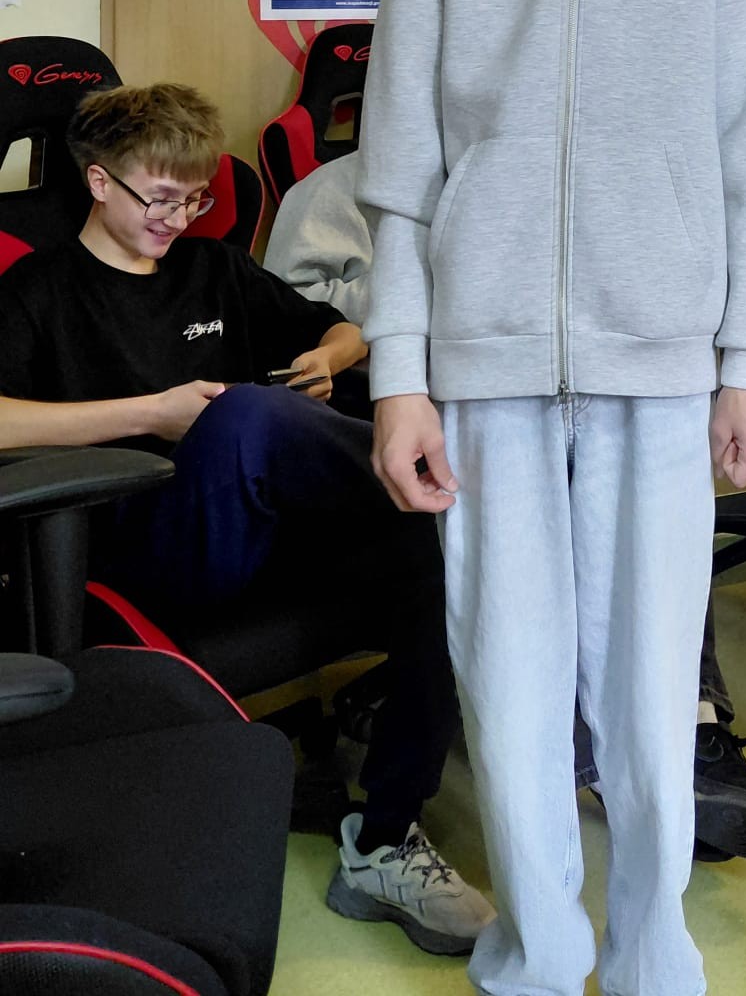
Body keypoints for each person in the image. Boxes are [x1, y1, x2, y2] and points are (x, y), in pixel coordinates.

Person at [364, 0, 746, 996]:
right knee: (509, 678)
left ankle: (654, 954)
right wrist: (400, 381)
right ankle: (537, 960)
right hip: (481, 365)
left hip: (661, 361)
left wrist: (745, 364)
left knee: (652, 687)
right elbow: (401, 174)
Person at [0, 84, 490, 957]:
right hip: (150, 546)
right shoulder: (38, 289)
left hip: (267, 527)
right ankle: (455, 480)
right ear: (100, 182)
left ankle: (383, 842)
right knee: (251, 418)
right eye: (161, 198)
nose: (179, 219)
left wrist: (324, 357)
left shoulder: (214, 269)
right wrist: (152, 414)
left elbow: (344, 331)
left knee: (436, 546)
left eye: (195, 199)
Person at [269, 155, 746, 871]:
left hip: (529, 390)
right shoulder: (329, 194)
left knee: (646, 519)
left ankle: (691, 731)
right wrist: (426, 307)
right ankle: (611, 762)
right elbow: (292, 316)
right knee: (542, 527)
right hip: (398, 408)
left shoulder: (525, 171)